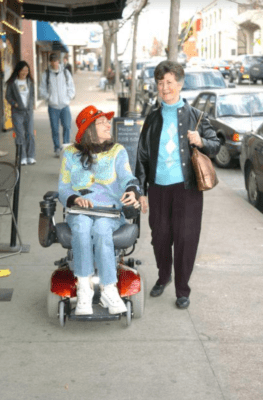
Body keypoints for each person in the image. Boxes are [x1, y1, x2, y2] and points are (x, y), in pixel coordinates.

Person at [135, 60, 220, 309]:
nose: (165, 88)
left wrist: (201, 141)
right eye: (160, 83)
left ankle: (182, 289)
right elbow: (141, 156)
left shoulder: (196, 116)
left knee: (186, 238)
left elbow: (215, 144)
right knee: (160, 236)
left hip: (187, 189)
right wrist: (141, 190)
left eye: (170, 82)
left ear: (180, 84)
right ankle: (164, 276)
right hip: (158, 188)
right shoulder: (152, 119)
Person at [58, 105, 141, 316]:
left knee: (103, 231)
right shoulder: (69, 154)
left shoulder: (117, 151)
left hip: (110, 212)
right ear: (89, 130)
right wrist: (75, 198)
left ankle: (108, 289)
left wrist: (132, 190)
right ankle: (84, 290)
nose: (107, 124)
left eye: (107, 121)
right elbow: (63, 187)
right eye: (101, 122)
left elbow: (126, 176)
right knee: (82, 227)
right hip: (79, 211)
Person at [39, 53, 75, 158]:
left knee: (67, 127)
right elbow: (42, 89)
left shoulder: (65, 72)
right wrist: (49, 98)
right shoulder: (46, 74)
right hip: (53, 107)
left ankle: (66, 148)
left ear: (59, 61)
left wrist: (68, 98)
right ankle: (56, 148)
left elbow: (71, 87)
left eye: (56, 61)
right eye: (52, 61)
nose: (54, 63)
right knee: (55, 129)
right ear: (50, 62)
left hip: (64, 106)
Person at [5, 61, 35, 166]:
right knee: (20, 134)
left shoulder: (30, 81)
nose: (25, 72)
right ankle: (22, 157)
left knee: (30, 133)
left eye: (27, 70)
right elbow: (8, 96)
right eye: (23, 70)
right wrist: (14, 103)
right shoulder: (12, 83)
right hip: (17, 112)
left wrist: (31, 104)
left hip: (28, 112)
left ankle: (30, 156)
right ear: (18, 70)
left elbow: (32, 95)